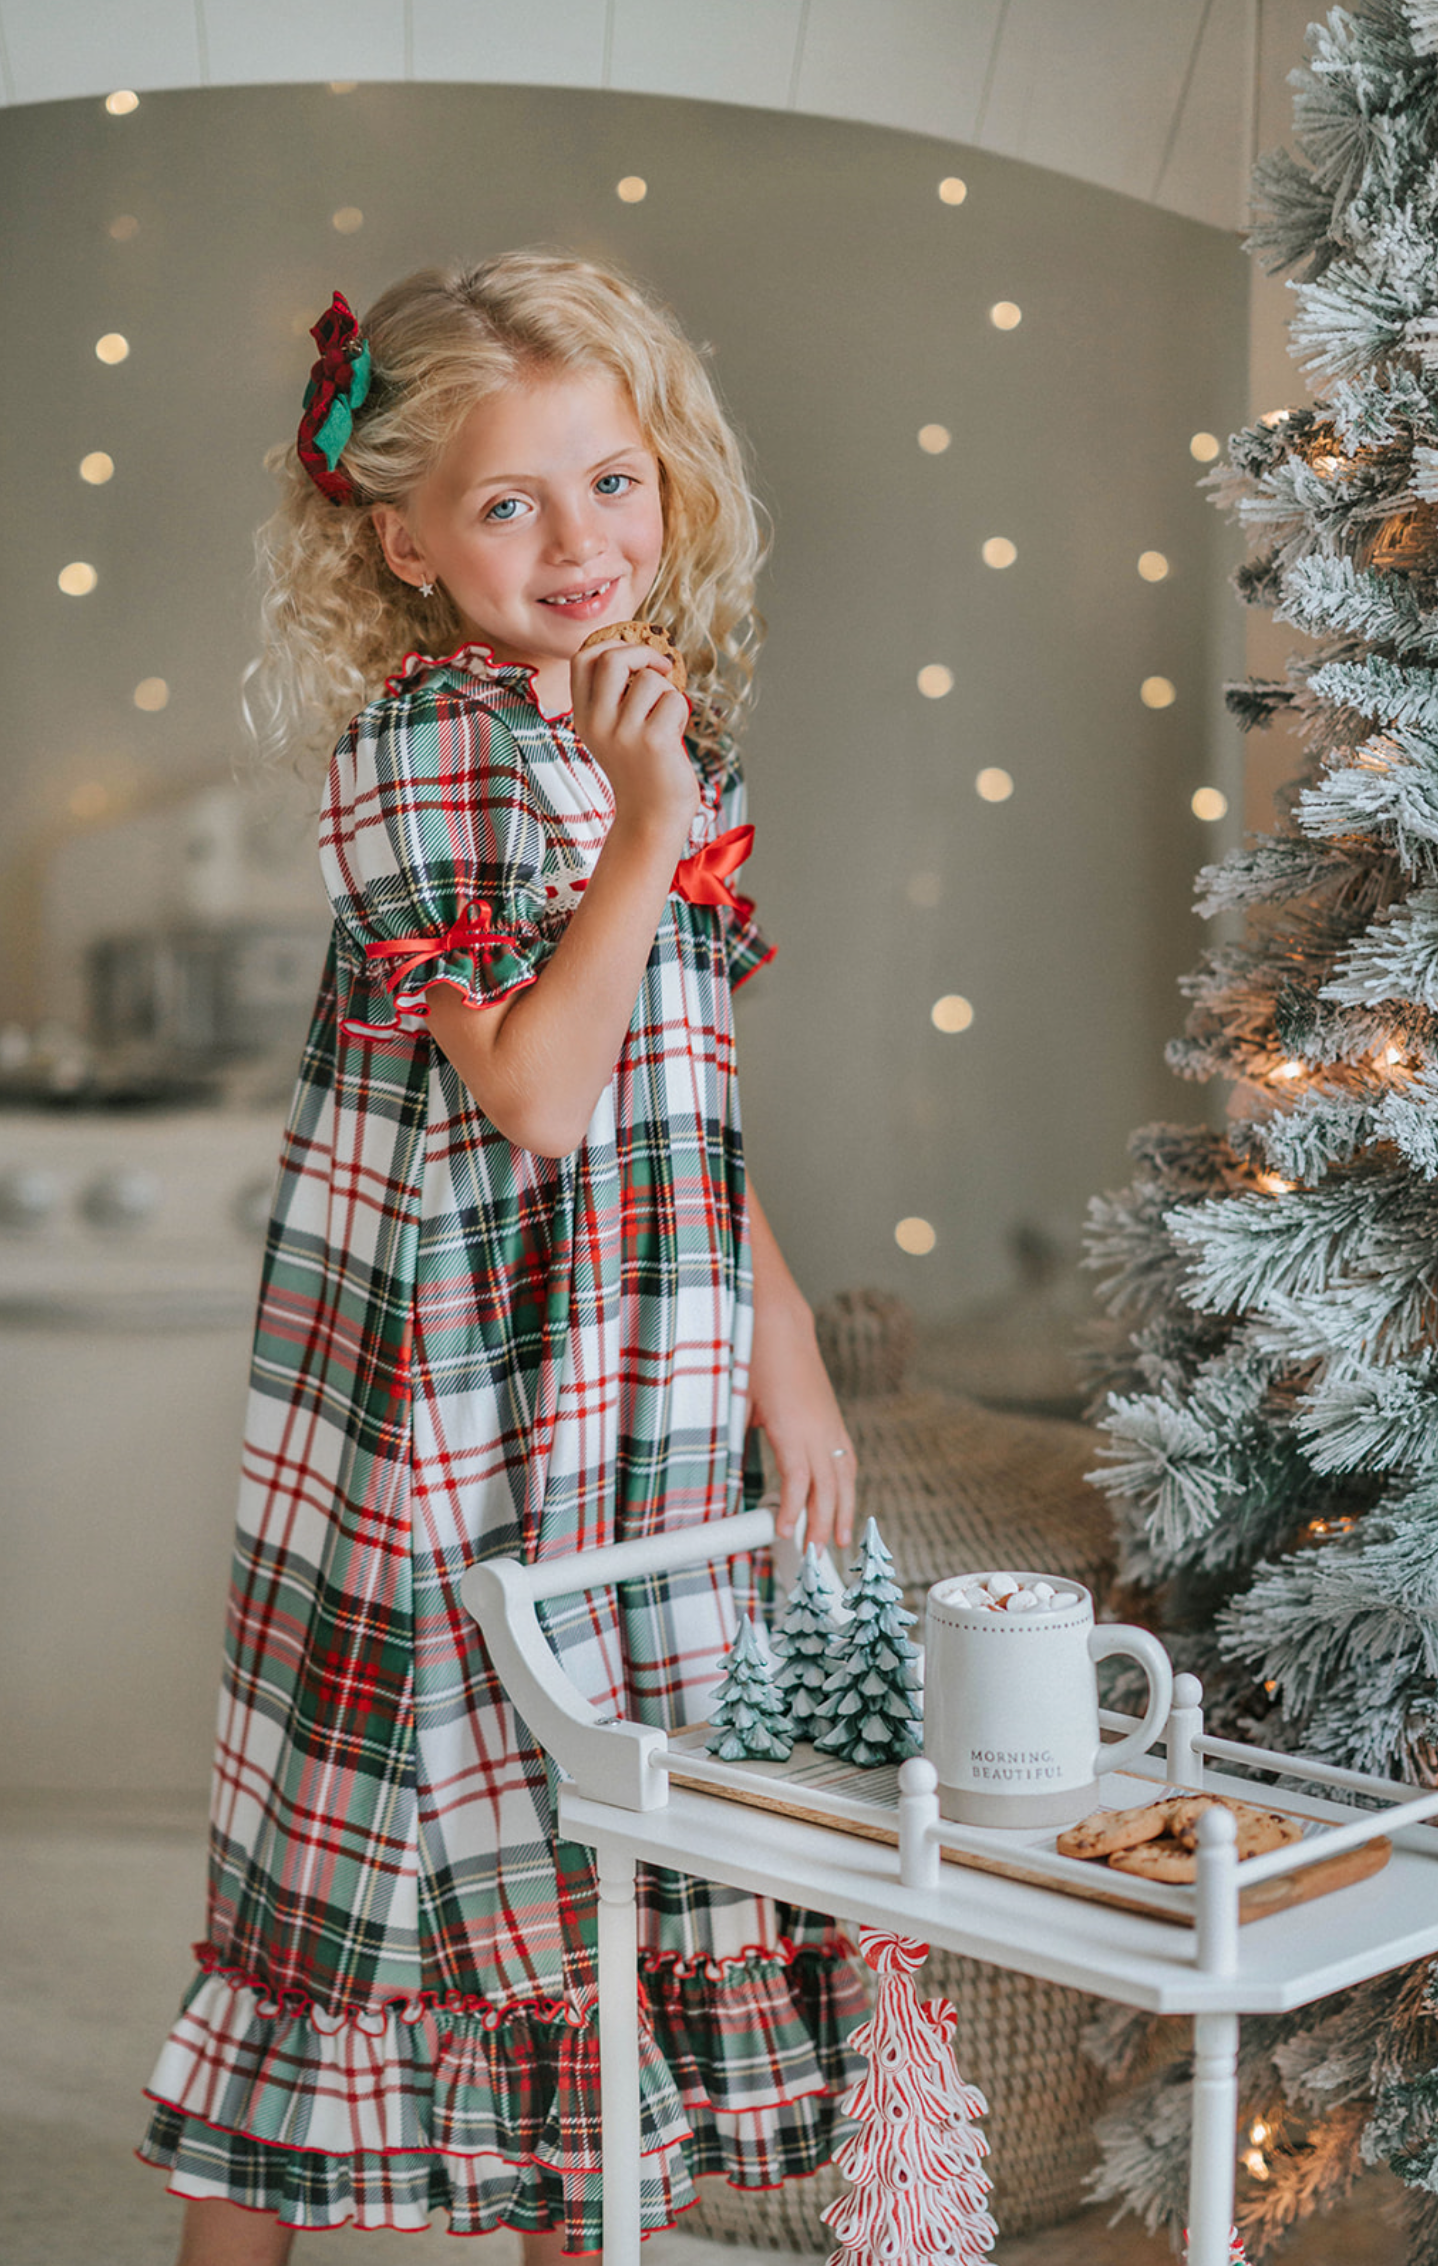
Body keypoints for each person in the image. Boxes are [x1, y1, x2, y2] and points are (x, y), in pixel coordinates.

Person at [139, 252, 862, 2264]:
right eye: (509, 503)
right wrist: (637, 825)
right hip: (452, 1390)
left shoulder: (651, 731)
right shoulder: (431, 745)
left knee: (605, 1825)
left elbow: (668, 1088)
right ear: (404, 538)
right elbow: (539, 1095)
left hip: (639, 1375)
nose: (577, 541)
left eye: (611, 482)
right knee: (369, 1824)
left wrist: (780, 1330)